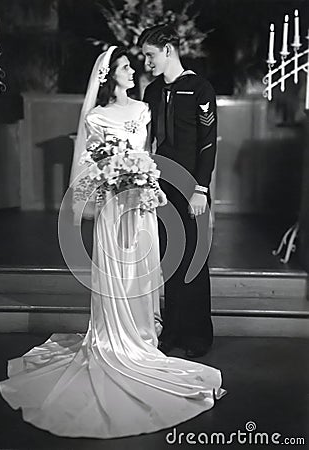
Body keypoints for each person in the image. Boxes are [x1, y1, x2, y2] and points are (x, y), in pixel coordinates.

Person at [0, 46, 225, 439]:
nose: (134, 69)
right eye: (125, 66)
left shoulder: (144, 108)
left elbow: (165, 147)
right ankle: (112, 338)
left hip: (143, 204)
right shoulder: (95, 117)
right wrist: (108, 177)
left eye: (135, 64)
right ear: (109, 77)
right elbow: (88, 160)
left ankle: (144, 334)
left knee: (145, 269)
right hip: (112, 205)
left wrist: (165, 181)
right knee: (114, 272)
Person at [139, 25, 218, 358]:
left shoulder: (200, 88)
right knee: (169, 259)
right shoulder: (152, 91)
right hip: (161, 186)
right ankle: (172, 332)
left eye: (150, 55)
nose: (146, 63)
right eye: (144, 57)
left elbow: (209, 143)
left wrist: (201, 189)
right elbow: (147, 141)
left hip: (192, 186)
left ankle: (198, 334)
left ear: (168, 49)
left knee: (194, 259)